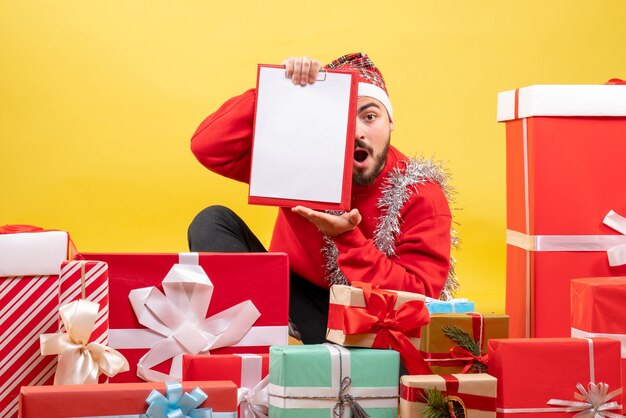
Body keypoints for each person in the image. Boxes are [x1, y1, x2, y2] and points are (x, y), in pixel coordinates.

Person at [188, 52, 455, 344]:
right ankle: (256, 337)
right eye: (341, 118)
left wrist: (348, 238)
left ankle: (314, 351)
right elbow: (208, 146)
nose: (357, 132)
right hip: (285, 291)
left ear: (390, 122)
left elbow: (420, 298)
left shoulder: (420, 193)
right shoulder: (298, 161)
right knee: (212, 222)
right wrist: (279, 91)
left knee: (378, 366)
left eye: (369, 116)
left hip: (361, 316)